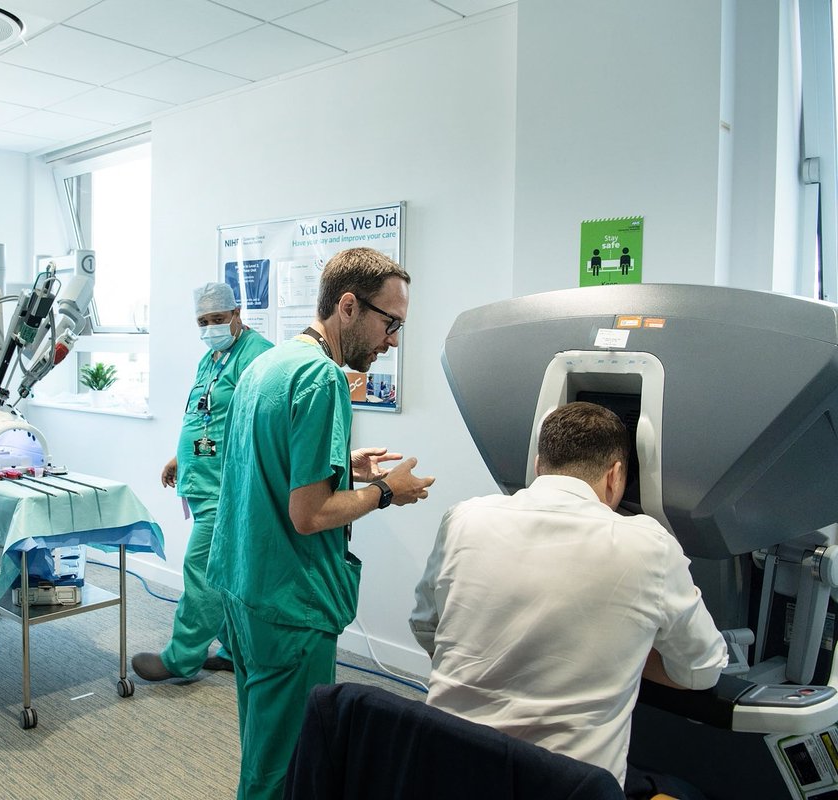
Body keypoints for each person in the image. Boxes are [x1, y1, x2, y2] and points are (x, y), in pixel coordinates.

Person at [206, 247, 436, 800]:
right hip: (290, 601)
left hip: (244, 584)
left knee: (262, 742)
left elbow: (267, 462)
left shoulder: (269, 363)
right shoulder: (322, 378)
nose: (394, 340)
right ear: (349, 306)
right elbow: (309, 514)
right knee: (285, 768)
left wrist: (344, 467)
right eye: (391, 322)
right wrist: (384, 491)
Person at [409, 401, 727, 789]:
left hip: (445, 770)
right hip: (565, 785)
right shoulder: (650, 546)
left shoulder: (464, 517)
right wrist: (629, 651)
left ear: (540, 463)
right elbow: (702, 670)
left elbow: (425, 627)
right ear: (616, 475)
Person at [132, 282, 273, 682]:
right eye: (203, 321)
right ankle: (234, 648)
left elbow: (259, 423)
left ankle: (180, 658)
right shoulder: (211, 357)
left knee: (202, 571)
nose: (210, 326)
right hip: (201, 479)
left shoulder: (258, 356)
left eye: (217, 319)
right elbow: (205, 414)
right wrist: (182, 456)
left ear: (237, 313)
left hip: (226, 487)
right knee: (224, 574)